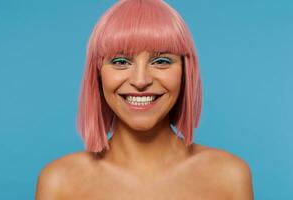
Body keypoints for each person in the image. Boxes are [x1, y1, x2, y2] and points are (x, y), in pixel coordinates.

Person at [35, 0, 254, 199]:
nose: (141, 80)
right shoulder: (59, 182)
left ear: (185, 72)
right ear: (98, 73)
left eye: (161, 61)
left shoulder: (229, 176)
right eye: (121, 61)